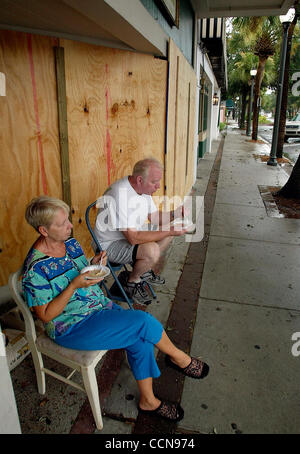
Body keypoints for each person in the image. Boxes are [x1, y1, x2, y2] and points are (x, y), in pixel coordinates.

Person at [22, 196, 209, 422]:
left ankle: (148, 401)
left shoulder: (70, 244)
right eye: (62, 224)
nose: (70, 226)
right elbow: (45, 316)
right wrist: (73, 286)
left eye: (68, 220)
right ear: (43, 230)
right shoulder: (35, 270)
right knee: (144, 322)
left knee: (140, 338)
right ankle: (180, 359)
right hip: (71, 326)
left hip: (97, 306)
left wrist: (95, 262)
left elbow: (81, 272)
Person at [94, 158, 188, 304]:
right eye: (154, 182)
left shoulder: (143, 189)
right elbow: (134, 238)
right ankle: (131, 282)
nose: (158, 186)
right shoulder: (120, 195)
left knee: (166, 232)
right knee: (152, 250)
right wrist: (169, 231)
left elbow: (155, 217)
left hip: (129, 235)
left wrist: (175, 214)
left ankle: (143, 269)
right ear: (139, 180)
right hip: (108, 245)